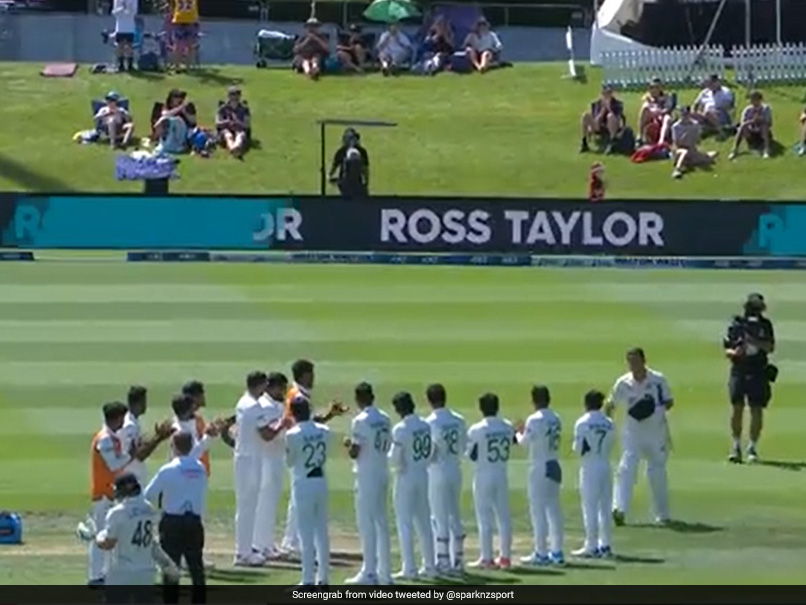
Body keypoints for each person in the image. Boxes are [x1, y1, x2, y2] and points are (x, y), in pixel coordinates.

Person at [280, 359, 348, 555]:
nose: (313, 378)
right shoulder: (297, 396)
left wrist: (329, 415)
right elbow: (302, 424)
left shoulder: (299, 395)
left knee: (297, 497)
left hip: (300, 446)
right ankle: (293, 541)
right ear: (302, 375)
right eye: (311, 374)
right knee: (297, 499)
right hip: (299, 448)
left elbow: (309, 422)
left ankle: (291, 540)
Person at [606, 347, 673, 527]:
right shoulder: (623, 383)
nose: (633, 365)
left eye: (636, 361)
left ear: (643, 361)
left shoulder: (658, 380)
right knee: (626, 469)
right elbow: (610, 404)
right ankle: (619, 509)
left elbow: (669, 401)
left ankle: (662, 514)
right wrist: (606, 422)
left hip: (655, 432)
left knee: (656, 472)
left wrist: (652, 408)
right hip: (632, 432)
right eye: (630, 362)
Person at [94, 473, 180, 602]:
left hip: (121, 573)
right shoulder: (149, 508)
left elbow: (108, 544)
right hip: (146, 572)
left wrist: (97, 537)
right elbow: (151, 543)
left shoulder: (117, 512)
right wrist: (166, 563)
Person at [145, 431, 208, 604]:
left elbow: (149, 494)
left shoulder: (168, 469)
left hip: (173, 522)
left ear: (173, 446)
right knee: (196, 567)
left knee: (171, 567)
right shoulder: (200, 468)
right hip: (194, 521)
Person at [344, 382, 394, 585]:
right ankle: (386, 574)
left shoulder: (360, 420)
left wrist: (348, 444)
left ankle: (369, 572)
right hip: (382, 471)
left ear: (358, 399)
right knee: (381, 522)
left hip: (366, 475)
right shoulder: (385, 418)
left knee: (366, 523)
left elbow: (355, 452)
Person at [388, 391, 436, 580]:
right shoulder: (425, 424)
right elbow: (432, 450)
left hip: (405, 477)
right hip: (423, 474)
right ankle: (430, 565)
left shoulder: (401, 429)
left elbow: (395, 459)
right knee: (424, 521)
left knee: (405, 523)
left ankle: (409, 568)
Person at [724, 293, 776, 464]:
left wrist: (753, 340)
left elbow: (769, 347)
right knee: (737, 407)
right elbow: (727, 348)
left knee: (756, 409)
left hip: (758, 370)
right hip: (739, 368)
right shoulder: (737, 324)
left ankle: (752, 447)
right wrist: (735, 352)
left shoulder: (765, 325)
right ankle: (736, 445)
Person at [515, 385, 564, 567]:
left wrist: (518, 433)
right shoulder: (556, 417)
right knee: (554, 510)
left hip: (539, 466)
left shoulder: (534, 420)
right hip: (554, 463)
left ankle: (541, 552)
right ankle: (557, 552)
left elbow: (525, 444)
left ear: (534, 400)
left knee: (538, 511)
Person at [285, 396, 331, 586]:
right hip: (320, 481)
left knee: (305, 533)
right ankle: (324, 577)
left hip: (303, 482)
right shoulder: (324, 430)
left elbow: (290, 461)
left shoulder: (292, 434)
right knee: (321, 531)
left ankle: (308, 579)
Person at [466, 392, 514, 570]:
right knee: (503, 516)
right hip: (501, 474)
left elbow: (471, 455)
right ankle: (506, 557)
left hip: (483, 475)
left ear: (481, 409)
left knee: (484, 517)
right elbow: (513, 441)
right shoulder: (507, 426)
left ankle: (487, 558)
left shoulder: (476, 430)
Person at [88, 401, 133, 587]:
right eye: (122, 418)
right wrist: (131, 454)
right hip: (103, 494)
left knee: (108, 535)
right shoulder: (105, 439)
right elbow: (113, 465)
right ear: (115, 418)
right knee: (100, 536)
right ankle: (95, 576)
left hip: (108, 493)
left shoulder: (110, 437)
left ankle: (104, 574)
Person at [424, 383, 466, 576]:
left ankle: (443, 562)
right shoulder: (459, 420)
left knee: (439, 516)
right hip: (455, 470)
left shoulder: (430, 422)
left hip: (437, 471)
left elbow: (430, 452)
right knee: (454, 513)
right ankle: (458, 560)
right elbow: (464, 447)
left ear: (429, 400)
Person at [253, 372, 293, 560]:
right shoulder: (265, 406)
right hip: (266, 460)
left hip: (276, 458)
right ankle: (260, 545)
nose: (284, 392)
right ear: (271, 387)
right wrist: (282, 424)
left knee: (271, 502)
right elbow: (267, 434)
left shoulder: (276, 404)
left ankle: (267, 543)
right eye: (281, 388)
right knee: (265, 503)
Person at [572, 390, 615, 559]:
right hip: (605, 464)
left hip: (589, 466)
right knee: (605, 507)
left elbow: (578, 449)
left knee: (590, 507)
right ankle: (606, 545)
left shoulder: (582, 423)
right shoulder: (609, 423)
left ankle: (591, 545)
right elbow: (612, 442)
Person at [232, 371, 269, 567]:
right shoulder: (254, 406)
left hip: (244, 457)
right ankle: (242, 553)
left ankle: (245, 547)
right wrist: (283, 424)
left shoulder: (243, 401)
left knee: (246, 506)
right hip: (250, 459)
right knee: (247, 506)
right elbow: (267, 435)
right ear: (260, 385)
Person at [119, 386, 174, 487]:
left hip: (134, 476)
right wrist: (159, 438)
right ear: (138, 403)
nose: (146, 405)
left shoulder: (133, 422)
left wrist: (156, 436)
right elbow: (139, 455)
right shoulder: (129, 426)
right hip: (131, 479)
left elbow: (139, 445)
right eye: (144, 402)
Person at [671, 106, 718, 179]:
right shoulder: (676, 126)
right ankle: (677, 169)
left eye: (686, 114)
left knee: (710, 157)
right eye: (683, 115)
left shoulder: (695, 125)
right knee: (684, 152)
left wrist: (695, 136)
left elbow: (698, 141)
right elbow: (676, 143)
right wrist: (685, 137)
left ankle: (688, 161)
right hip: (679, 150)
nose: (685, 117)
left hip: (691, 149)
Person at [580, 85, 625, 154]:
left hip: (612, 126)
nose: (606, 95)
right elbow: (596, 121)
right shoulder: (596, 104)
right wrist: (602, 111)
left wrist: (609, 108)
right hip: (599, 125)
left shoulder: (617, 104)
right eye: (605, 93)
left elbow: (618, 118)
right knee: (585, 115)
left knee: (610, 116)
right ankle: (584, 142)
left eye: (608, 93)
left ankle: (612, 142)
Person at [729, 90, 773, 160]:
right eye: (752, 99)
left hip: (762, 132)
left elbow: (769, 123)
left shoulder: (765, 109)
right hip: (751, 132)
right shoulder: (747, 110)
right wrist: (752, 121)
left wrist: (761, 120)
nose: (754, 102)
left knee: (764, 126)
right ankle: (734, 149)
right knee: (742, 127)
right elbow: (743, 123)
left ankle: (766, 149)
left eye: (755, 100)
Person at [328, 128, 369, 200]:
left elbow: (365, 169)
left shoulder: (361, 151)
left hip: (357, 182)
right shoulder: (341, 151)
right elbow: (334, 166)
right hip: (344, 182)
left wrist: (366, 182)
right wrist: (330, 176)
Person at [216, 86, 251, 159]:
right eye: (232, 96)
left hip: (239, 129)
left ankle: (235, 148)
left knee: (240, 135)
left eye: (236, 97)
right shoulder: (223, 108)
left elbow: (247, 125)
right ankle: (234, 149)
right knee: (228, 135)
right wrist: (226, 122)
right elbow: (218, 123)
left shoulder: (244, 109)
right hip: (226, 129)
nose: (234, 99)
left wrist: (238, 123)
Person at [637, 77, 674, 144]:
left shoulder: (666, 97)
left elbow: (668, 108)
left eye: (657, 87)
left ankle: (661, 140)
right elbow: (647, 106)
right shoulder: (647, 98)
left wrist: (660, 112)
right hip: (652, 116)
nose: (654, 90)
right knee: (644, 110)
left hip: (662, 115)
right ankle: (640, 135)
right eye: (652, 87)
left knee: (667, 118)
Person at [169, 0, 199, 71]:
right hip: (182, 20)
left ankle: (183, 65)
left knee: (187, 45)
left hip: (186, 20)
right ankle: (179, 65)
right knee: (179, 45)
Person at [111, 0, 138, 72]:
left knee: (129, 46)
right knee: (120, 46)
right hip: (120, 27)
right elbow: (114, 13)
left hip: (130, 27)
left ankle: (130, 65)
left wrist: (128, 8)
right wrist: (122, 8)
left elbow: (134, 12)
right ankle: (121, 65)